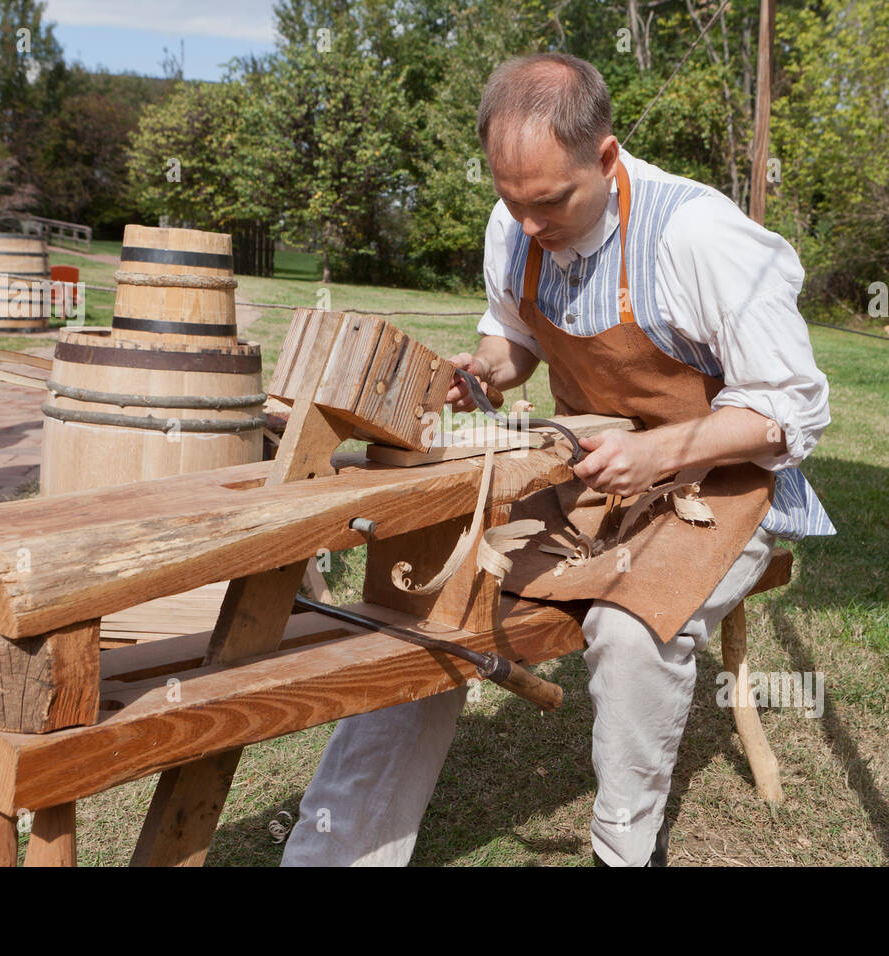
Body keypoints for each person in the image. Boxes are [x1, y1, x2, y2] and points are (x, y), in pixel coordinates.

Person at [282, 52, 835, 867]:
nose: (530, 225)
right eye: (513, 202)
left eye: (550, 203)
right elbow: (512, 344)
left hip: (718, 485)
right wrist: (483, 374)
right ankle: (335, 857)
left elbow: (793, 409)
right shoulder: (517, 222)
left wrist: (656, 451)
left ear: (605, 157)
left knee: (629, 628)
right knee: (427, 598)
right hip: (580, 480)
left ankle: (627, 850)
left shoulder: (700, 235)